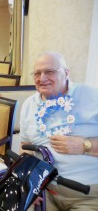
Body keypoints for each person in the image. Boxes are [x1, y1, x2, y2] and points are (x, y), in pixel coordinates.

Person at [20, 52, 98, 211]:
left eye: (49, 72)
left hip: (87, 192)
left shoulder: (92, 96)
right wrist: (28, 184)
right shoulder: (29, 104)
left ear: (66, 73)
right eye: (37, 73)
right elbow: (25, 147)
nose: (42, 78)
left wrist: (85, 145)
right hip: (44, 190)